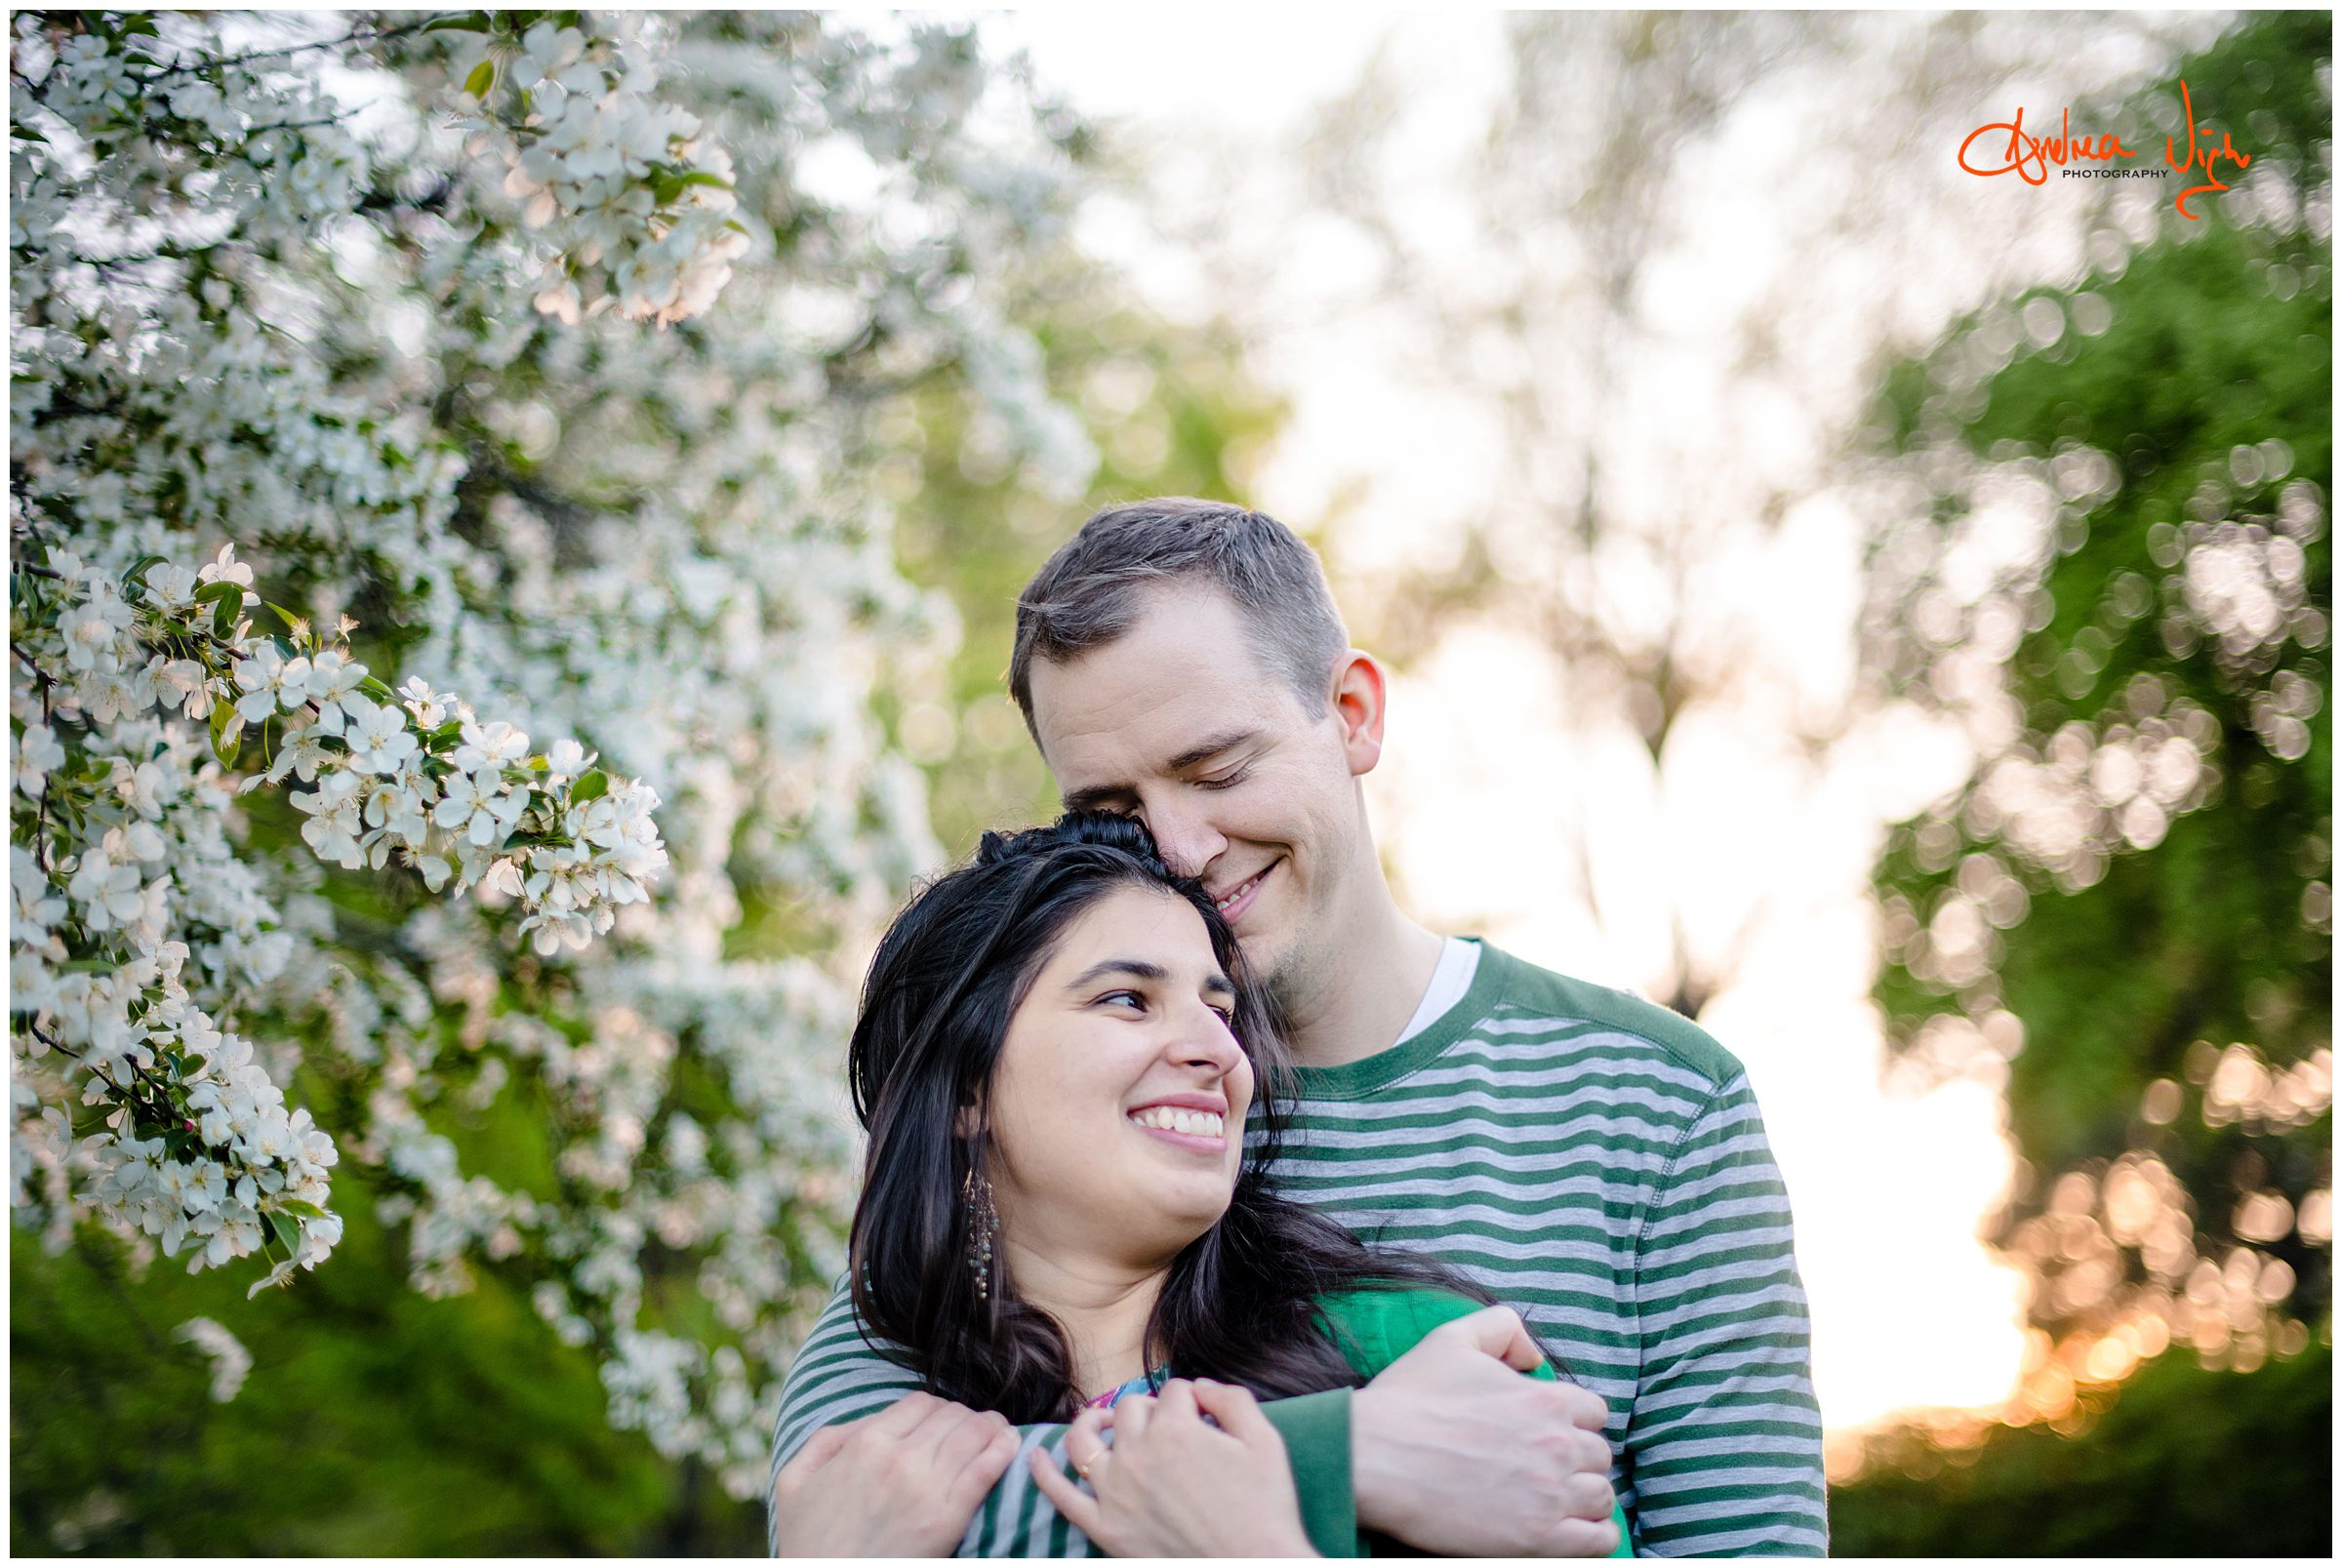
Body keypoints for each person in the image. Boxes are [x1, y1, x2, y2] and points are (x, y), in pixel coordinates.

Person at [769, 499, 1828, 1556]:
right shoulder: (1053, 1123)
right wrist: (1347, 1454)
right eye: (1111, 812)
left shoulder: (1661, 1099)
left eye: (1219, 769)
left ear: (1355, 712)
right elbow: (850, 1506)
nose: (1179, 846)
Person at [823, 810, 1630, 1556]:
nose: (1218, 1051)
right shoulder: (882, 1448)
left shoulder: (1429, 1354)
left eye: (1220, 1010)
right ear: (967, 1088)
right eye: (1128, 999)